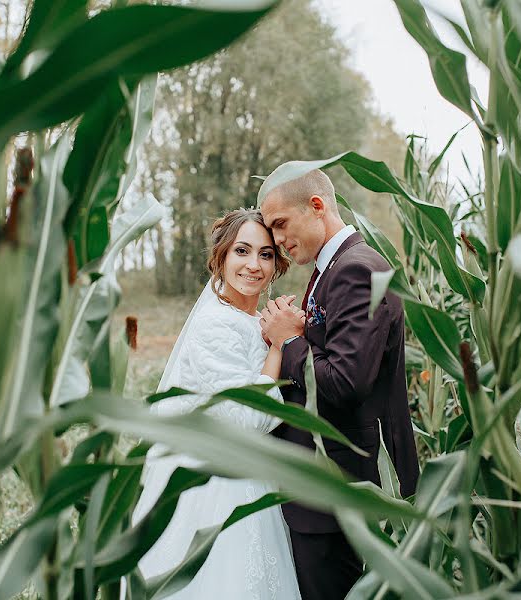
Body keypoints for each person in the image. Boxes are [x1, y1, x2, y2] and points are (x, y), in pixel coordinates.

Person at [258, 167, 420, 600]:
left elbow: (346, 382)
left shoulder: (356, 270)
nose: (276, 242)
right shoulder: (332, 270)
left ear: (316, 206)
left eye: (280, 225)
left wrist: (290, 339)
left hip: (339, 489)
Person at [130, 208, 303, 599]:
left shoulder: (248, 318)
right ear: (221, 258)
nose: (253, 265)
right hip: (212, 486)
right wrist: (277, 346)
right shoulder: (214, 325)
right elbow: (245, 418)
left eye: (265, 254)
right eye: (242, 251)